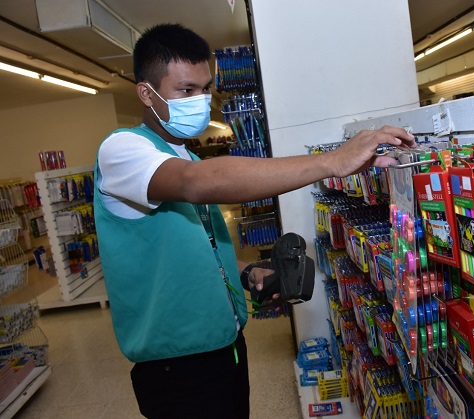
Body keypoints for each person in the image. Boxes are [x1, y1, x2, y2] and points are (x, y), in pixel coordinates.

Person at [93, 23, 414, 419]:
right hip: (177, 367)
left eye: (205, 88)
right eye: (186, 90)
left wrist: (245, 274)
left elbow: (199, 244)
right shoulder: (122, 151)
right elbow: (198, 183)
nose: (200, 100)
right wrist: (332, 161)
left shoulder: (184, 157)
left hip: (225, 347)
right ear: (146, 92)